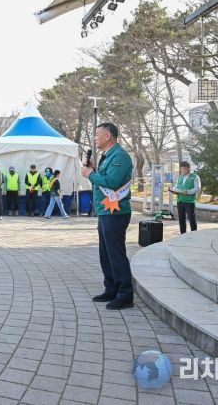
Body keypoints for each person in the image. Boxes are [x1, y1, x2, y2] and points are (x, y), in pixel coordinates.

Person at [81, 122, 134, 310]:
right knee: (106, 254)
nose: (94, 138)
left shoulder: (120, 156)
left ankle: (125, 294)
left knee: (115, 253)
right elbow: (104, 179)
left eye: (97, 134)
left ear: (108, 135)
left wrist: (90, 174)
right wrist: (94, 170)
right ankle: (111, 289)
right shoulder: (107, 156)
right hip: (105, 210)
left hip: (116, 212)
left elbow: (111, 182)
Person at [170, 161, 200, 234]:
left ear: (188, 168)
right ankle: (182, 233)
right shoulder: (180, 177)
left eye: (184, 169)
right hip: (180, 201)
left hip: (189, 201)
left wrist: (188, 192)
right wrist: (174, 190)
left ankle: (194, 234)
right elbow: (176, 186)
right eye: (181, 169)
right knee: (181, 218)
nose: (183, 170)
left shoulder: (195, 177)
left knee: (191, 218)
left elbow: (197, 188)